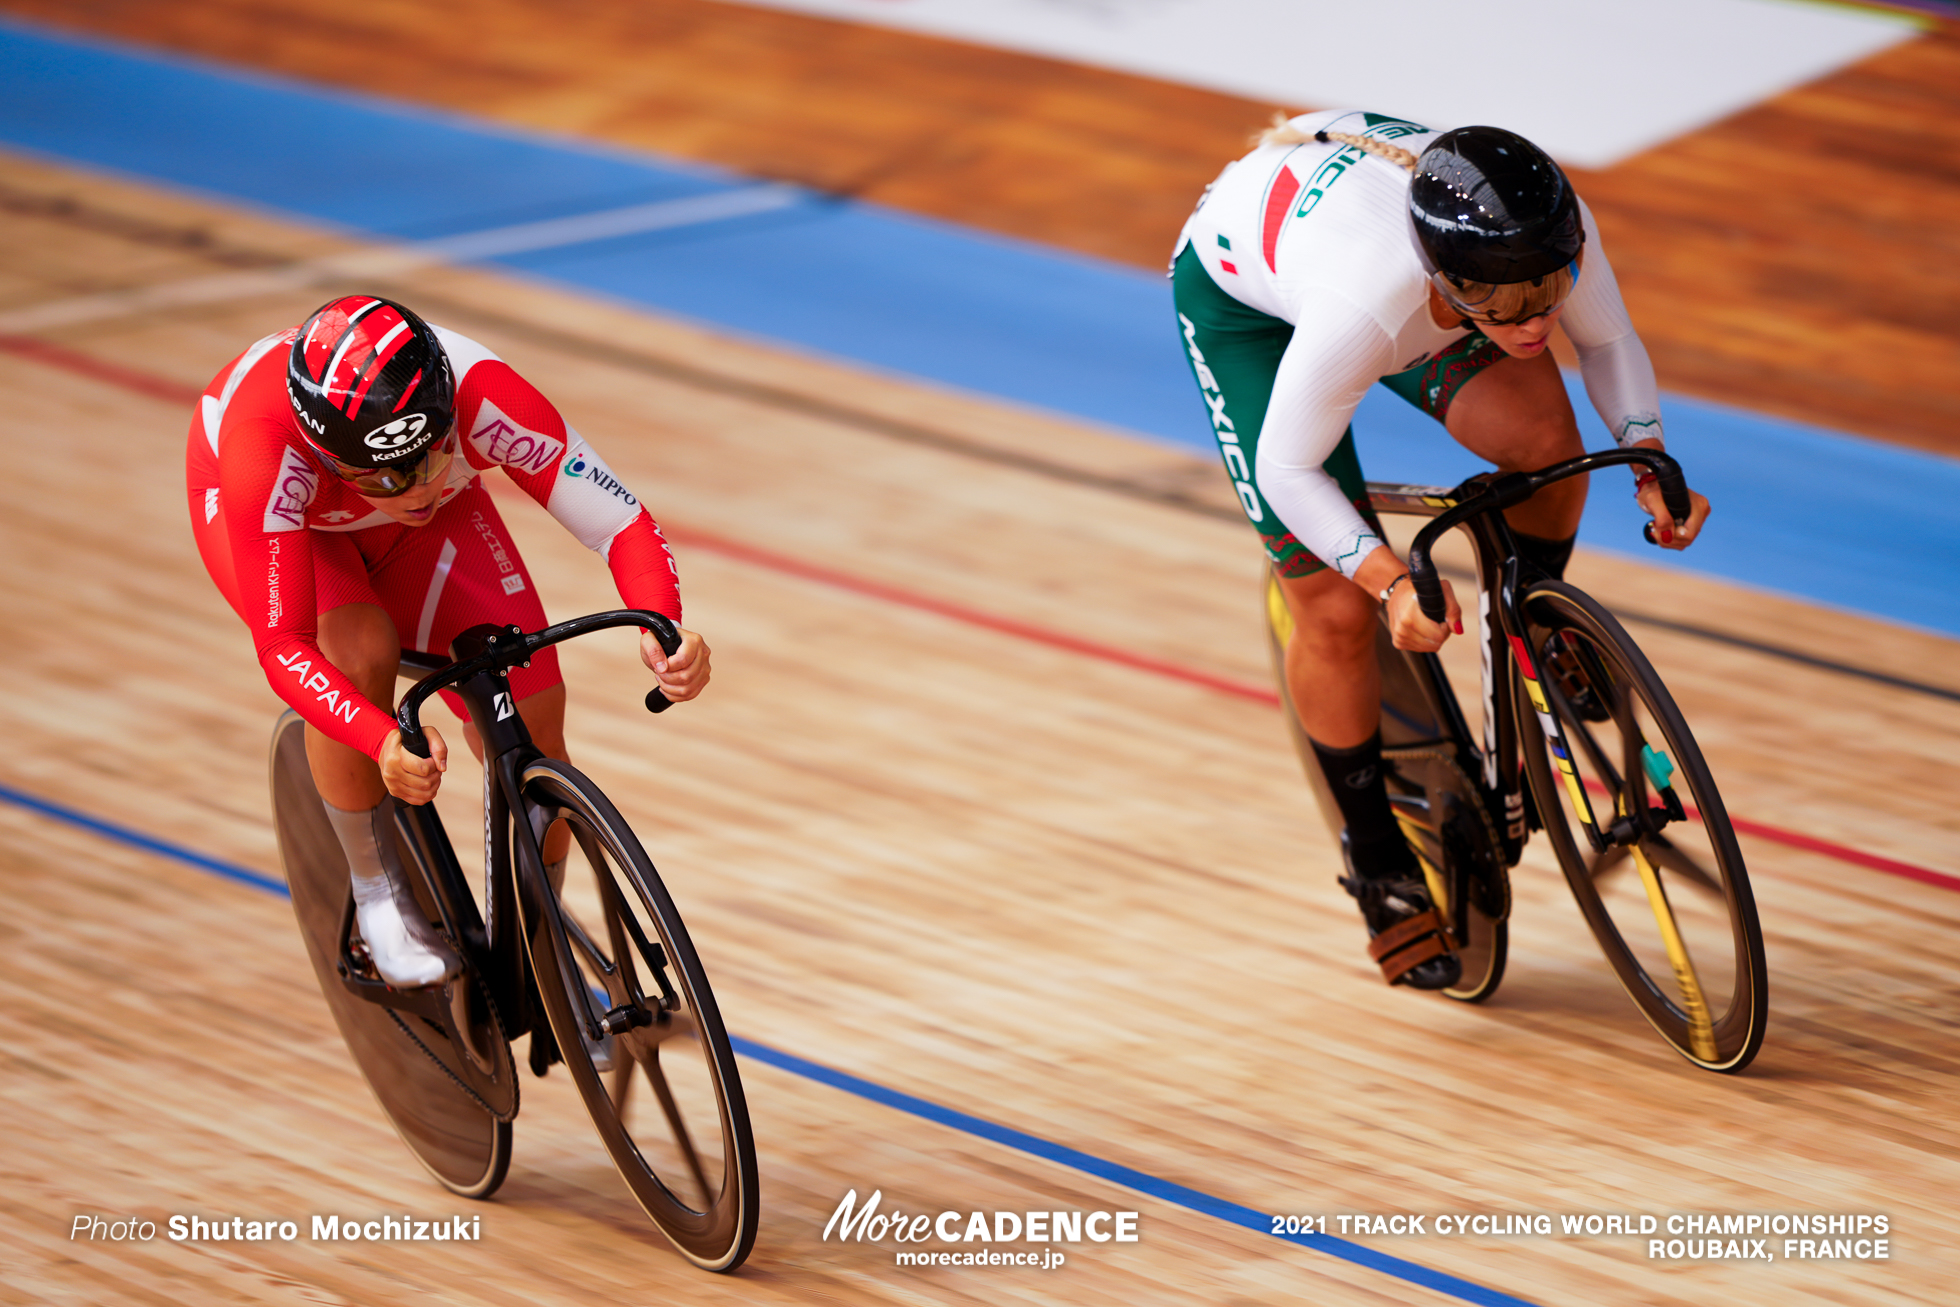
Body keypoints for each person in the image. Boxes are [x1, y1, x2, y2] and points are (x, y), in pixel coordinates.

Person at [1172, 111, 1711, 990]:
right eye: (1503, 307)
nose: (1536, 322)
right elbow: (1287, 468)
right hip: (1248, 305)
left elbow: (1607, 339)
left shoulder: (1544, 229)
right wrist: (1383, 579)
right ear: (1446, 278)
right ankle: (1375, 856)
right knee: (1336, 609)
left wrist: (1648, 456)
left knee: (1548, 443)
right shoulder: (1365, 303)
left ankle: (1538, 621)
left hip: (1374, 252)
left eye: (1551, 290)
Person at [187, 295, 710, 986]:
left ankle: (538, 950)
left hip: (421, 531)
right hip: (291, 526)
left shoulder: (482, 392)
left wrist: (662, 621)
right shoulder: (265, 449)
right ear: (328, 457)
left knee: (533, 703)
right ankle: (377, 899)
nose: (423, 483)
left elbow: (620, 521)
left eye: (434, 453)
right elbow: (285, 644)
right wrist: (379, 739)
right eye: (389, 475)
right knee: (360, 650)